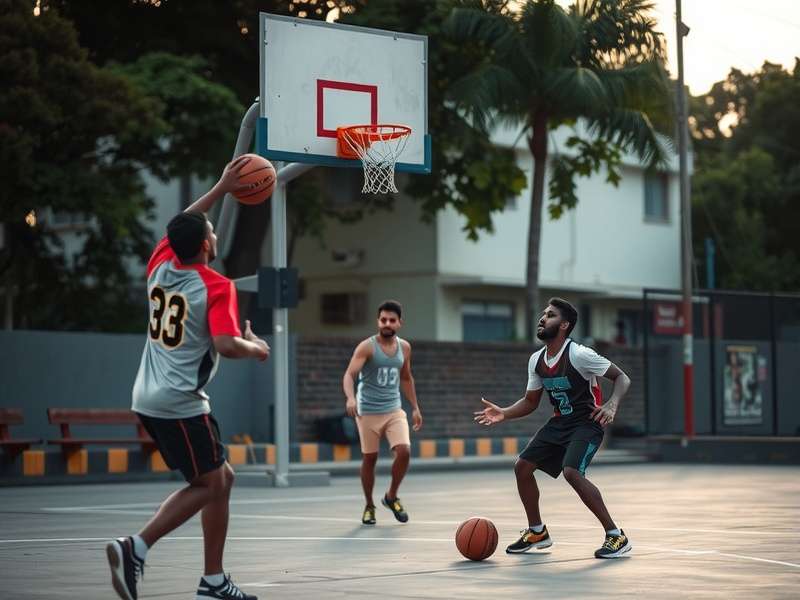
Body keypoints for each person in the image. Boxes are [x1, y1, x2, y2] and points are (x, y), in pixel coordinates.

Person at [106, 156, 270, 600]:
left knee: (222, 478)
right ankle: (135, 547)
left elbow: (183, 225)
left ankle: (213, 580)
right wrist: (257, 348)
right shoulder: (217, 286)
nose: (214, 232)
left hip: (148, 394)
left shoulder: (160, 265)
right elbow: (226, 345)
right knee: (209, 483)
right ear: (204, 246)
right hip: (180, 400)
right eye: (211, 231)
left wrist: (221, 186)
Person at [474, 298, 632, 559]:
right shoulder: (536, 360)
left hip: (587, 422)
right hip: (560, 423)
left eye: (550, 315)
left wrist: (612, 404)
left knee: (571, 472)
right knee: (522, 467)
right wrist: (504, 412)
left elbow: (622, 377)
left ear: (564, 325)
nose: (542, 318)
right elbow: (530, 402)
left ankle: (616, 536)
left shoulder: (580, 354)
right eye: (543, 314)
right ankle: (537, 532)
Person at [342, 300, 423, 525]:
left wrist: (415, 407)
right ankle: (369, 505)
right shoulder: (367, 347)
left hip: (393, 409)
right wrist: (350, 398)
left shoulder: (404, 347)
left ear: (399, 323)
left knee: (404, 450)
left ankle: (391, 496)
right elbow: (349, 375)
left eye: (392, 320)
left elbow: (406, 377)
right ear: (378, 321)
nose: (387, 323)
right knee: (370, 458)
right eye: (383, 319)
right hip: (367, 411)